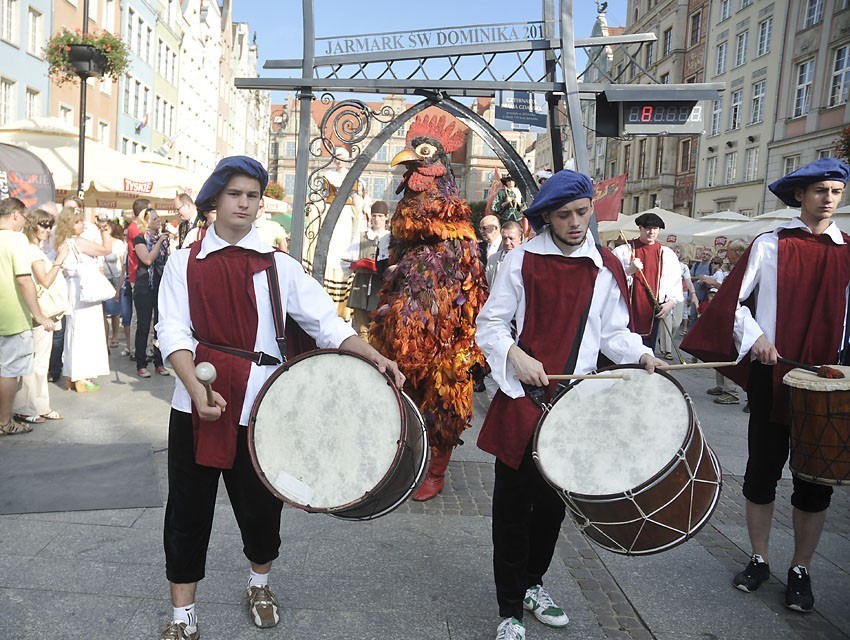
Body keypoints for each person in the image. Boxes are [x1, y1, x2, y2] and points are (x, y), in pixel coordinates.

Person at [155, 156, 404, 640]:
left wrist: (370, 354)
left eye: (253, 195)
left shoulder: (278, 266)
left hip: (262, 408)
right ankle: (182, 615)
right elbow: (173, 331)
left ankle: (259, 583)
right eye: (235, 194)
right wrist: (192, 386)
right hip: (195, 405)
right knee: (187, 511)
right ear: (213, 200)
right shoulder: (183, 263)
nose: (246, 203)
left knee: (261, 510)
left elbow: (326, 324)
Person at [475, 170, 664, 640]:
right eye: (565, 215)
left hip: (574, 404)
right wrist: (515, 355)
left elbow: (614, 331)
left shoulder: (605, 266)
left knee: (553, 507)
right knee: (514, 509)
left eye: (582, 212)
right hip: (524, 402)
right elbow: (490, 326)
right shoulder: (519, 261)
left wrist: (640, 352)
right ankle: (510, 608)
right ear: (547, 218)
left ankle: (535, 582)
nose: (577, 222)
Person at [681, 157, 850, 614]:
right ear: (800, 195)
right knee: (762, 472)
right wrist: (756, 338)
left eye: (836, 191)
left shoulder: (848, 249)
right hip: (772, 376)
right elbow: (733, 301)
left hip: (826, 382)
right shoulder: (770, 244)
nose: (829, 199)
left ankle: (802, 568)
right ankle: (759, 557)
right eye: (821, 191)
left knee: (816, 482)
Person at [0, 198, 54, 436]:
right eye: (23, 217)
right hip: (12, 316)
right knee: (9, 371)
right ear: (15, 215)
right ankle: (4, 421)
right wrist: (39, 314)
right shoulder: (16, 239)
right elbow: (24, 279)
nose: (25, 221)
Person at [12, 210, 68, 424]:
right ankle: (27, 407)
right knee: (35, 362)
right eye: (43, 225)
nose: (46, 230)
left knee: (39, 361)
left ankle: (38, 406)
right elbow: (44, 280)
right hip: (40, 311)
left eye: (49, 226)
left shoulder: (32, 248)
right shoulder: (32, 250)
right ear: (33, 225)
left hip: (41, 310)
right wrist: (59, 261)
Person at [55, 205, 113, 392]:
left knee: (74, 332)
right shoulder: (77, 242)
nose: (82, 224)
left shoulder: (62, 241)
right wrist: (105, 231)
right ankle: (82, 376)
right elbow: (105, 249)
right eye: (78, 221)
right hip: (84, 291)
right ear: (71, 224)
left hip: (73, 290)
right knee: (87, 333)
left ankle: (71, 374)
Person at [611, 213, 683, 351]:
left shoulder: (666, 254)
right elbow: (610, 280)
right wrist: (629, 270)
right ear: (640, 228)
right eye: (648, 228)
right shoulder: (624, 251)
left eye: (655, 228)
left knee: (648, 349)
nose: (651, 232)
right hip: (627, 309)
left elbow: (675, 281)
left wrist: (670, 303)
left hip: (652, 310)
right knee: (626, 347)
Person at [133, 208, 170, 378]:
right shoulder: (140, 239)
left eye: (158, 218)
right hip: (144, 287)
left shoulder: (163, 239)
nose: (158, 220)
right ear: (146, 222)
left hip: (161, 286)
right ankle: (141, 363)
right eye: (154, 218)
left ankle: (159, 362)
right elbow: (147, 259)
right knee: (144, 325)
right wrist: (160, 241)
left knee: (159, 326)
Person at [347, 200, 390, 340]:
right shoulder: (361, 236)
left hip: (379, 289)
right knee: (361, 330)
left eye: (380, 216)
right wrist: (357, 265)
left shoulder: (390, 238)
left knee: (378, 330)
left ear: (386, 217)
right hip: (361, 287)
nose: (376, 219)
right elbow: (348, 259)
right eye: (374, 216)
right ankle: (363, 359)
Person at [657, 245, 697, 360]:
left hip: (678, 296)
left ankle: (664, 340)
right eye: (674, 251)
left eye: (678, 252)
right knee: (667, 322)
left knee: (676, 323)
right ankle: (667, 350)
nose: (676, 253)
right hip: (665, 296)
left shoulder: (683, 267)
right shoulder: (663, 264)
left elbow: (688, 282)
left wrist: (693, 294)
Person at [102, 220, 126, 349]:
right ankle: (105, 339)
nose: (104, 229)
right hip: (102, 279)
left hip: (115, 278)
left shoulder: (118, 244)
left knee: (115, 311)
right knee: (103, 312)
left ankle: (115, 336)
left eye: (106, 226)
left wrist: (119, 285)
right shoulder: (97, 242)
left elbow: (123, 266)